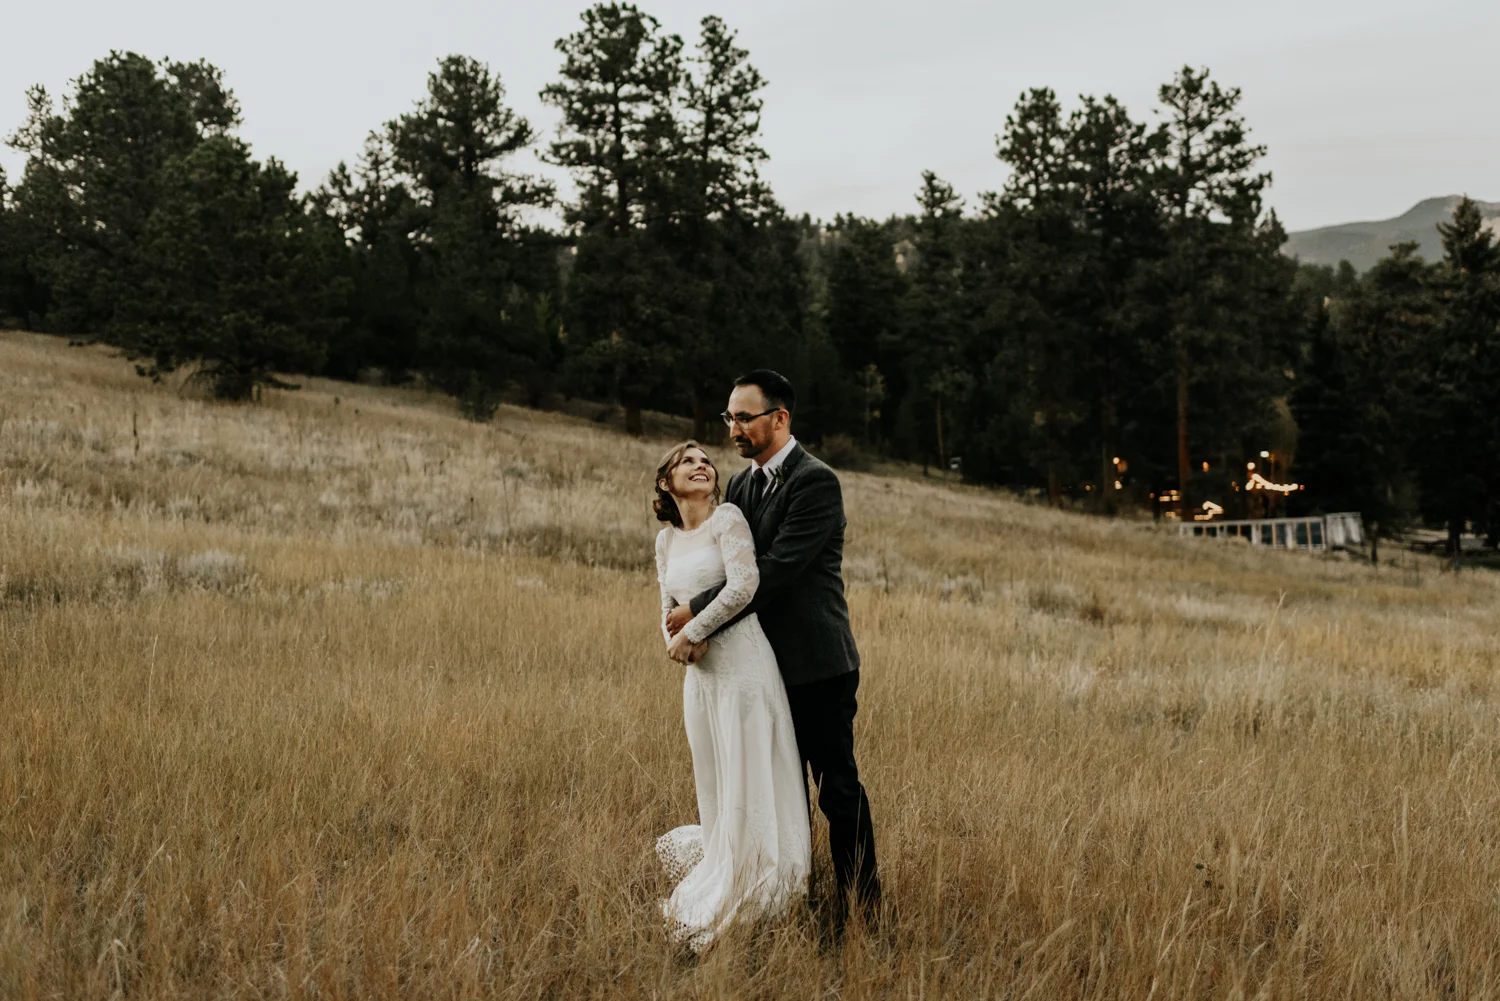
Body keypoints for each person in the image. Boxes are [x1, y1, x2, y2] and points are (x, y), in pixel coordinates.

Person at [665, 370, 881, 931]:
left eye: (743, 417)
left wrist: (695, 612)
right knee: (772, 785)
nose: (732, 428)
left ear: (779, 418)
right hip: (756, 668)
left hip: (816, 664)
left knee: (836, 790)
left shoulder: (816, 482)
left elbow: (776, 572)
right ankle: (786, 891)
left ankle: (860, 910)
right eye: (728, 418)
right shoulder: (738, 488)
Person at [652, 440, 810, 953]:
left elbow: (745, 585)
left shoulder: (727, 518)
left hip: (742, 664)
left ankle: (761, 873)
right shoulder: (665, 541)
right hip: (701, 677)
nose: (701, 466)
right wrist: (674, 642)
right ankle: (725, 857)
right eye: (686, 461)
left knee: (747, 766)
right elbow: (665, 607)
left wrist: (694, 629)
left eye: (704, 459)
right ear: (665, 482)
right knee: (716, 773)